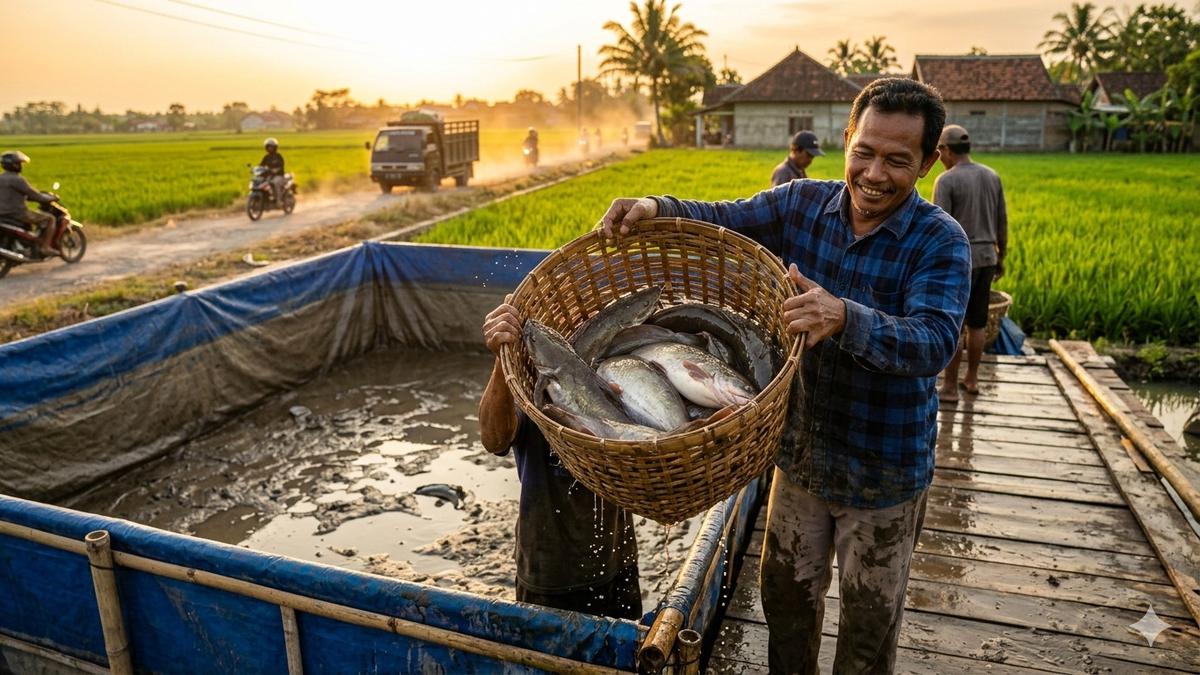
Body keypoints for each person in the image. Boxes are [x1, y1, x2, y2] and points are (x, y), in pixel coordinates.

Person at [600, 78, 970, 673]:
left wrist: (845, 315)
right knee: (786, 604)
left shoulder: (939, 241)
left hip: (884, 471)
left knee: (868, 626)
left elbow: (935, 341)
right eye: (864, 152)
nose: (875, 173)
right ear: (847, 139)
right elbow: (724, 219)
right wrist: (657, 207)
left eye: (898, 160)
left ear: (927, 162)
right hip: (800, 457)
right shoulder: (801, 203)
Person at [478, 297, 642, 620]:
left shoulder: (610, 375)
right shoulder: (529, 383)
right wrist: (502, 358)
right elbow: (492, 438)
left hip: (618, 563)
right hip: (548, 575)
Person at [934, 124, 1007, 402]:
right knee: (977, 323)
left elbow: (939, 228)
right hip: (987, 256)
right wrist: (1001, 257)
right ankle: (972, 379)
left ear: (947, 151)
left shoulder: (947, 181)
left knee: (955, 323)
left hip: (959, 260)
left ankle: (950, 387)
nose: (938, 156)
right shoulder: (992, 176)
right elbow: (1002, 222)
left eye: (940, 151)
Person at [0, 151, 58, 257]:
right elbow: (35, 195)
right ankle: (45, 248)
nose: (21, 166)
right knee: (50, 219)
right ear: (15, 165)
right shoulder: (17, 179)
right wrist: (52, 198)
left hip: (2, 214)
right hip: (17, 213)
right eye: (20, 163)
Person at [259, 138, 286, 204]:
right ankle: (265, 199)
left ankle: (279, 200)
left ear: (275, 148)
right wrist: (256, 169)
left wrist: (276, 170)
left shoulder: (278, 156)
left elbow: (281, 165)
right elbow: (261, 165)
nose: (269, 148)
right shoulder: (266, 157)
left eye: (271, 147)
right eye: (268, 147)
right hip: (270, 175)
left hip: (279, 175)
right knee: (262, 183)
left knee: (275, 183)